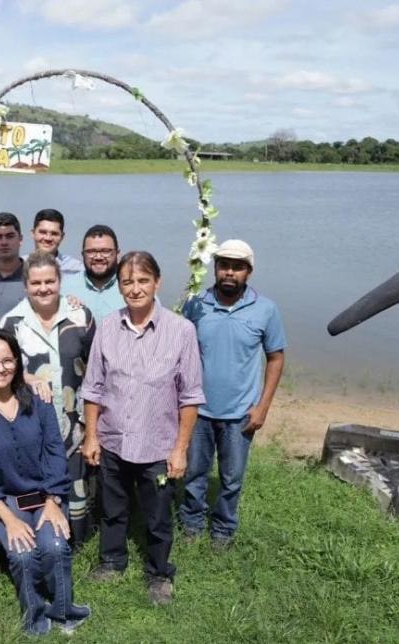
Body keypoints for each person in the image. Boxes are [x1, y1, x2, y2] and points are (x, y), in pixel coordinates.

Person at [81, 251, 204, 606]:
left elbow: (191, 396)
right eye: (127, 282)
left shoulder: (181, 330)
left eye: (143, 281)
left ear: (157, 282)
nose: (135, 289)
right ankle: (112, 561)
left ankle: (159, 573)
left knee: (157, 517)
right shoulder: (107, 326)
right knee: (113, 510)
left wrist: (180, 448)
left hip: (157, 445)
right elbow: (93, 388)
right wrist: (91, 436)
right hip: (113, 440)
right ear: (119, 286)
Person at [0, 329, 90, 636]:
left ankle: (64, 610)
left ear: (17, 363)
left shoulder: (38, 403)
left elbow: (55, 452)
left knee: (55, 546)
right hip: (2, 502)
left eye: (7, 360)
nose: (0, 367)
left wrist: (54, 501)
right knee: (23, 552)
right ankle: (35, 616)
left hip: (44, 495)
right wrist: (8, 520)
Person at [180, 240, 286, 549]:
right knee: (194, 473)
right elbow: (180, 353)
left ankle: (223, 529)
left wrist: (263, 407)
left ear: (249, 272)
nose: (229, 272)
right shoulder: (195, 304)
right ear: (214, 267)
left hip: (240, 413)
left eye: (237, 267)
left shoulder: (265, 309)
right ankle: (192, 523)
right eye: (224, 265)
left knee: (231, 478)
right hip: (198, 410)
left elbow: (276, 358)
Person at [0, 251, 96, 546]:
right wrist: (27, 378)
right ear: (26, 285)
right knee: (37, 490)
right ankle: (39, 539)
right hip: (31, 425)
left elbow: (98, 369)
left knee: (77, 489)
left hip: (74, 422)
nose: (44, 288)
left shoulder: (80, 315)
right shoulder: (12, 322)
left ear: (60, 281)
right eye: (36, 282)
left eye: (50, 281)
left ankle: (79, 542)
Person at [61, 224, 125, 323]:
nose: (98, 257)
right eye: (91, 251)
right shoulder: (65, 287)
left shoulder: (133, 288)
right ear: (82, 254)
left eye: (105, 251)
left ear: (117, 253)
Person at [28, 209, 83, 275]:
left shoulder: (76, 269)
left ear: (62, 237)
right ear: (33, 233)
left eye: (54, 234)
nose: (48, 238)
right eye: (43, 232)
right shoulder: (20, 267)